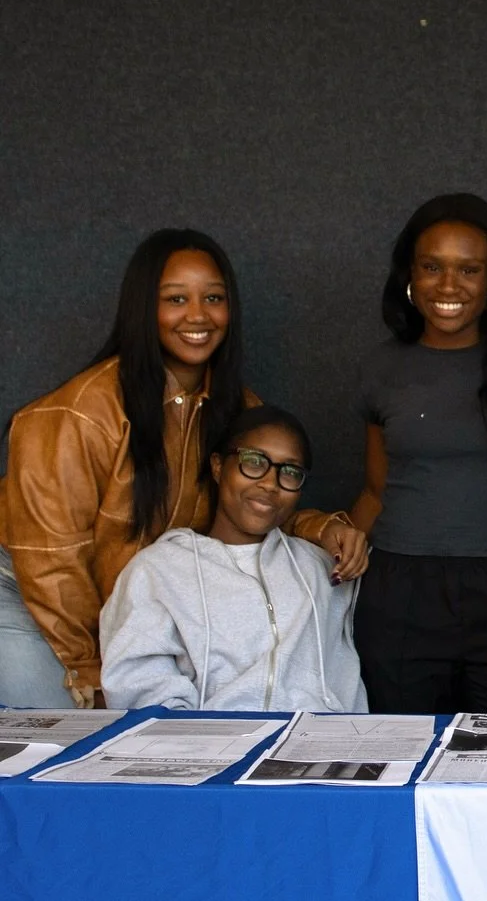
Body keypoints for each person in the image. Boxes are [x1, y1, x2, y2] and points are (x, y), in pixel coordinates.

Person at [0, 230, 364, 709]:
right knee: (64, 746)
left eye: (213, 298)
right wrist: (89, 668)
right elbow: (50, 562)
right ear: (143, 308)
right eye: (176, 299)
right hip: (29, 596)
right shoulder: (79, 414)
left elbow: (257, 498)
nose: (198, 315)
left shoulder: (236, 409)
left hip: (130, 606)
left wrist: (324, 529)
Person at [349, 193, 487, 713]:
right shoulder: (381, 368)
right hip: (400, 592)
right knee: (403, 755)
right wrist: (331, 554)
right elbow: (376, 490)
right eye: (432, 267)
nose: (448, 286)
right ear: (409, 276)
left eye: (469, 269)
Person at [100, 406, 366, 712]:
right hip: (208, 750)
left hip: (315, 747)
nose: (270, 483)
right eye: (253, 462)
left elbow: (345, 679)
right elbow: (138, 685)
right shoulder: (159, 571)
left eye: (290, 472)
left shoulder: (319, 569)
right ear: (217, 466)